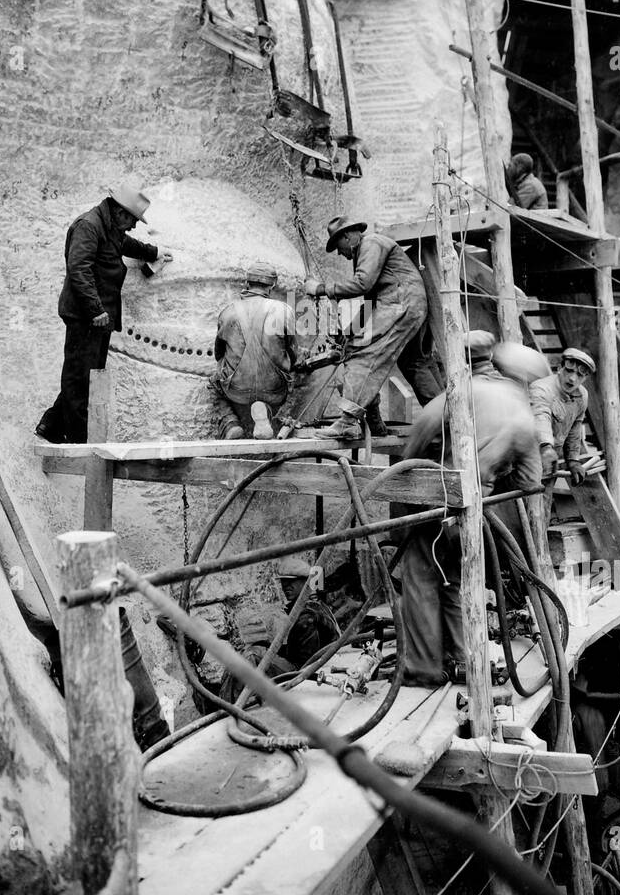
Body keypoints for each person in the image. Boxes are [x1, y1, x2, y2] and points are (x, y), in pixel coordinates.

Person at [396, 330, 545, 687]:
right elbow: (529, 482)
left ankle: (423, 667)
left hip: (445, 502)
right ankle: (464, 659)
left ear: (458, 361)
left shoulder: (457, 395)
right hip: (478, 512)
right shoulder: (520, 410)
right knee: (457, 581)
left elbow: (413, 446)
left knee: (419, 573)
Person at [36, 175, 166, 445]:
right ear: (121, 212)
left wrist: (152, 252)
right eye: (132, 220)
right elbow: (78, 269)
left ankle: (50, 424)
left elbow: (125, 245)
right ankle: (78, 442)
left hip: (98, 319)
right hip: (85, 317)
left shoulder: (110, 227)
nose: (132, 226)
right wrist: (95, 310)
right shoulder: (89, 225)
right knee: (79, 380)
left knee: (85, 376)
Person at [301, 216, 441, 443]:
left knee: (361, 354)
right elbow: (370, 300)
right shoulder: (369, 250)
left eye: (338, 247)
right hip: (409, 306)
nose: (340, 254)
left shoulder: (371, 243)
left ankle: (348, 421)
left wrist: (320, 288)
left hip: (400, 305)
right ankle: (442, 420)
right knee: (413, 363)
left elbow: (361, 284)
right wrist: (349, 331)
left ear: (347, 236)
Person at [209, 263, 298, 440]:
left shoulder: (228, 312)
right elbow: (293, 353)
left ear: (247, 284)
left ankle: (230, 424)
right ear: (272, 286)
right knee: (297, 379)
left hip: (236, 389)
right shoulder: (284, 310)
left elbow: (218, 354)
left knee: (214, 383)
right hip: (275, 389)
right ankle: (277, 416)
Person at [529, 346, 596, 489]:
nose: (572, 378)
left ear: (585, 378)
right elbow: (541, 416)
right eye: (569, 370)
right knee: (530, 504)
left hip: (551, 460)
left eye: (579, 375)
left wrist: (573, 460)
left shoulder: (582, 396)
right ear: (560, 367)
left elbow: (575, 428)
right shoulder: (541, 388)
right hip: (529, 458)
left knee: (545, 503)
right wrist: (546, 447)